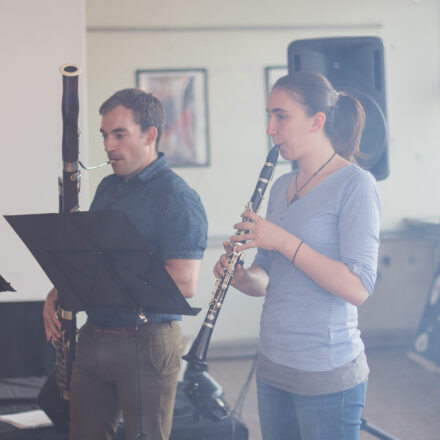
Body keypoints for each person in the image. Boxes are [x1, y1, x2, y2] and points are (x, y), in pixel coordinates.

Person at [214, 72, 381, 440]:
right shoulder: (279, 188)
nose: (270, 128)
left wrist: (284, 241)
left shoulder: (355, 184)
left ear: (316, 121)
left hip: (327, 371)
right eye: (269, 116)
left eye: (281, 116)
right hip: (274, 364)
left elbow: (358, 288)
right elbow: (267, 276)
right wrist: (241, 278)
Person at [42, 88, 208, 440]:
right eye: (105, 135)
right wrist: (57, 292)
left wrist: (106, 279)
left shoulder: (177, 197)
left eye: (119, 134)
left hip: (147, 342)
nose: (108, 145)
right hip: (95, 336)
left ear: (150, 135)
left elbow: (185, 282)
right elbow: (89, 259)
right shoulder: (108, 188)